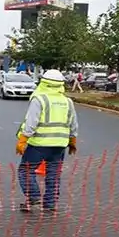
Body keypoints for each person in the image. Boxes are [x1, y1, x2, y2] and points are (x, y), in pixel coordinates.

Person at [15, 69, 79, 213]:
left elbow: (31, 122)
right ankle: (50, 204)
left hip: (39, 144)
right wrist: (72, 141)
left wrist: (22, 140)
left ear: (43, 82)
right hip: (59, 146)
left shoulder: (39, 99)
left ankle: (33, 197)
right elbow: (73, 124)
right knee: (53, 174)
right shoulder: (67, 101)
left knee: (25, 171)